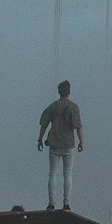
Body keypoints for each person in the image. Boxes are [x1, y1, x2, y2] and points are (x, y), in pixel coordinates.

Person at [37, 80, 84, 211]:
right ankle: (66, 204)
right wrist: (81, 142)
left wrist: (40, 140)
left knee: (53, 174)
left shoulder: (53, 106)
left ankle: (51, 203)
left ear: (59, 92)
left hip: (54, 144)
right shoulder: (74, 107)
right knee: (67, 174)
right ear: (69, 91)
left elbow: (44, 125)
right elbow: (78, 127)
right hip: (68, 145)